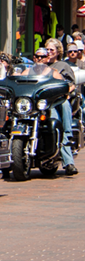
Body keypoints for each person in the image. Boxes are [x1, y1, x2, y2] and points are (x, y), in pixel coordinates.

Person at [45, 38, 78, 175]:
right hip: (45, 102)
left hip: (60, 100)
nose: (48, 52)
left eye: (51, 50)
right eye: (46, 49)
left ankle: (68, 162)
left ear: (58, 52)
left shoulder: (63, 65)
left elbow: (71, 85)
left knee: (64, 106)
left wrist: (65, 92)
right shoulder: (40, 65)